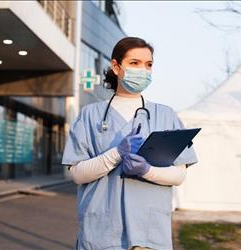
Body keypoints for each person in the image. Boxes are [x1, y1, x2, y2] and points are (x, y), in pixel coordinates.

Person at [62, 37, 197, 250]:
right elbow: (77, 174)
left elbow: (179, 175)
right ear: (116, 66)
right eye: (135, 63)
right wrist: (115, 154)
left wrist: (147, 170)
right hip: (101, 233)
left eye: (148, 64)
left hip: (149, 234)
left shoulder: (166, 115)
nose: (143, 70)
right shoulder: (90, 115)